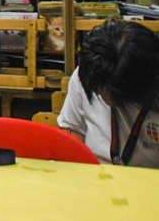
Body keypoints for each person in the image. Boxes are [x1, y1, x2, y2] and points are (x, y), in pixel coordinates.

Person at [58, 20, 159, 167]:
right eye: (99, 90)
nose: (104, 97)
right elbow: (73, 131)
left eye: (112, 92)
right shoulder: (90, 74)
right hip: (96, 179)